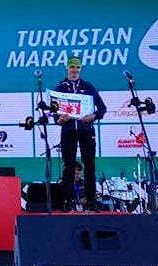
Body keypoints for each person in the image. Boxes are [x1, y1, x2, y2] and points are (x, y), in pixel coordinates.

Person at [54, 57, 107, 211]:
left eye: (77, 67)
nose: (74, 70)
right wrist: (59, 120)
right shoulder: (60, 88)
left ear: (80, 69)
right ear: (67, 68)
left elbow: (102, 108)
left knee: (89, 165)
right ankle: (68, 201)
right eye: (72, 67)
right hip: (68, 131)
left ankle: (91, 200)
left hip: (86, 130)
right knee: (68, 166)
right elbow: (54, 113)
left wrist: (94, 116)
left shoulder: (88, 87)